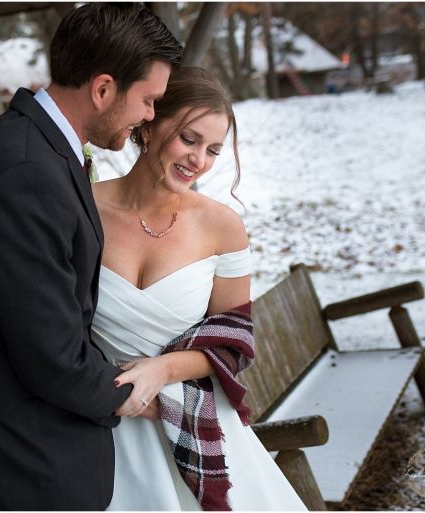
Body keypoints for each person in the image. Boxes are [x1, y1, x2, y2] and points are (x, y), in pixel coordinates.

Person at [0, 3, 182, 510]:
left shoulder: (39, 147)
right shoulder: (26, 171)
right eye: (148, 100)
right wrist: (144, 399)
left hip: (34, 449)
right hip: (23, 464)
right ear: (104, 88)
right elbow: (51, 357)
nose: (151, 116)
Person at [91, 67, 308, 510]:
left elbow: (233, 342)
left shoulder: (222, 228)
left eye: (212, 150)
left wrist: (161, 371)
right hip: (96, 420)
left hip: (196, 422)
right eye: (189, 140)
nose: (199, 161)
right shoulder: (82, 207)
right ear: (149, 124)